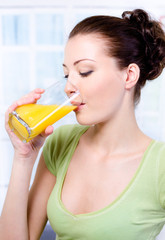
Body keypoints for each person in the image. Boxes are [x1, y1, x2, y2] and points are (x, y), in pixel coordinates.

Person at [0, 8, 165, 240]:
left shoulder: (159, 167)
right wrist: (23, 157)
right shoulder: (62, 142)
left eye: (85, 72)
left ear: (129, 76)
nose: (69, 86)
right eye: (68, 75)